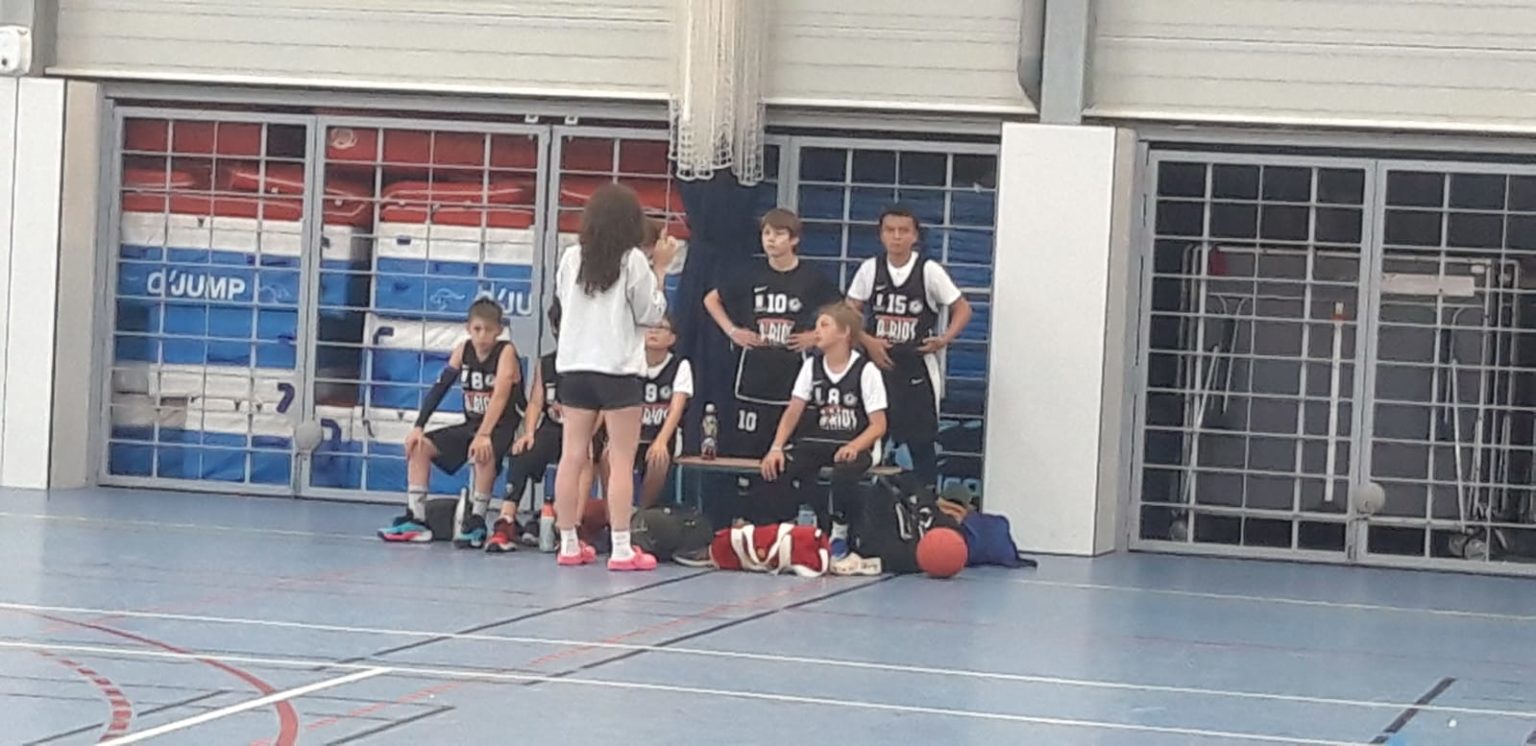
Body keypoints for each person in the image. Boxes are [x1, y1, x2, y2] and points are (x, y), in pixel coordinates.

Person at [552, 183, 677, 570]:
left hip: (574, 366)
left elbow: (563, 302)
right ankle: (622, 548)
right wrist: (660, 270)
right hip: (618, 369)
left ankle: (568, 543)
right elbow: (651, 314)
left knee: (572, 455)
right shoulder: (633, 261)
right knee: (621, 459)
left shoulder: (571, 257)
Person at [378, 297, 524, 547]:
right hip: (473, 425)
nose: (482, 336)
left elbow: (500, 397)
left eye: (489, 330)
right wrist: (418, 426)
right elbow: (441, 387)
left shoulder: (506, 352)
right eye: (477, 329)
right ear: (468, 328)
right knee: (420, 447)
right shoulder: (463, 350)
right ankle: (417, 519)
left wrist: (484, 434)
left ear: (499, 331)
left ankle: (477, 521)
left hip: (505, 425)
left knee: (483, 451)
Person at [845, 204, 973, 490]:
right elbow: (849, 309)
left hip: (916, 366)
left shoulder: (928, 270)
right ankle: (866, 504)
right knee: (869, 438)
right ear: (881, 234)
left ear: (915, 235)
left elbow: (963, 308)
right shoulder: (870, 269)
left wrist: (944, 339)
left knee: (921, 444)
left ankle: (926, 504)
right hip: (877, 364)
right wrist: (867, 340)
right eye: (890, 230)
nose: (896, 236)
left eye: (903, 231)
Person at [703, 208, 841, 457]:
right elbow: (711, 299)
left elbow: (841, 311)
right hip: (753, 375)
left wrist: (816, 336)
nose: (771, 239)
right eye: (766, 233)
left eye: (779, 234)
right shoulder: (750, 274)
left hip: (792, 373)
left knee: (788, 447)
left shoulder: (811, 277)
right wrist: (732, 330)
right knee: (748, 448)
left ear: (794, 239)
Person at [759, 303, 888, 547]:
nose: (817, 331)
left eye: (825, 325)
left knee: (844, 471)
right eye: (817, 326)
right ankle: (786, 527)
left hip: (856, 442)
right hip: (819, 440)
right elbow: (793, 411)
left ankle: (840, 530)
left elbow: (878, 425)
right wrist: (776, 447)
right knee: (781, 466)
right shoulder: (811, 366)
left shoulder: (866, 370)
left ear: (845, 332)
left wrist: (854, 446)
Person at [597, 313, 692, 509]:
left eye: (661, 327)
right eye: (649, 327)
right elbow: (614, 404)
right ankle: (612, 513)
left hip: (660, 434)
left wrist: (661, 441)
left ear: (672, 338)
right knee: (608, 456)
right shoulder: (629, 362)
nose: (653, 331)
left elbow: (676, 408)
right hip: (630, 434)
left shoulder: (680, 366)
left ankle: (642, 513)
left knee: (658, 458)